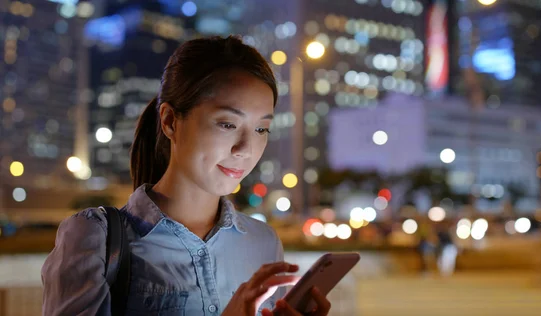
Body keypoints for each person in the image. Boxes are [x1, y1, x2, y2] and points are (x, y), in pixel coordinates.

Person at [41, 36, 331, 316]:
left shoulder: (263, 242)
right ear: (170, 121)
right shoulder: (96, 238)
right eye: (228, 124)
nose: (245, 149)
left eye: (261, 129)